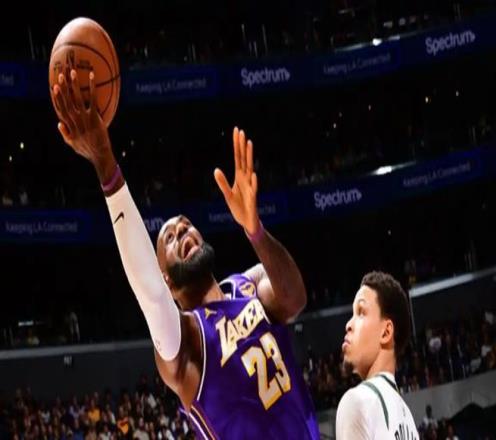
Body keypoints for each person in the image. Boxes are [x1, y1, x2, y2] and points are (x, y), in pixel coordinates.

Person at [51, 68, 320, 439]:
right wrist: (106, 166)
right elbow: (151, 297)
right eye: (170, 239)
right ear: (165, 276)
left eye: (186, 226)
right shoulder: (186, 342)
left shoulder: (250, 285)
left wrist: (255, 230)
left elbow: (294, 299)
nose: (182, 232)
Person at [336, 272, 418, 439]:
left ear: (386, 332)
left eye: (361, 312)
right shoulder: (409, 421)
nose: (348, 324)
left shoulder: (358, 401)